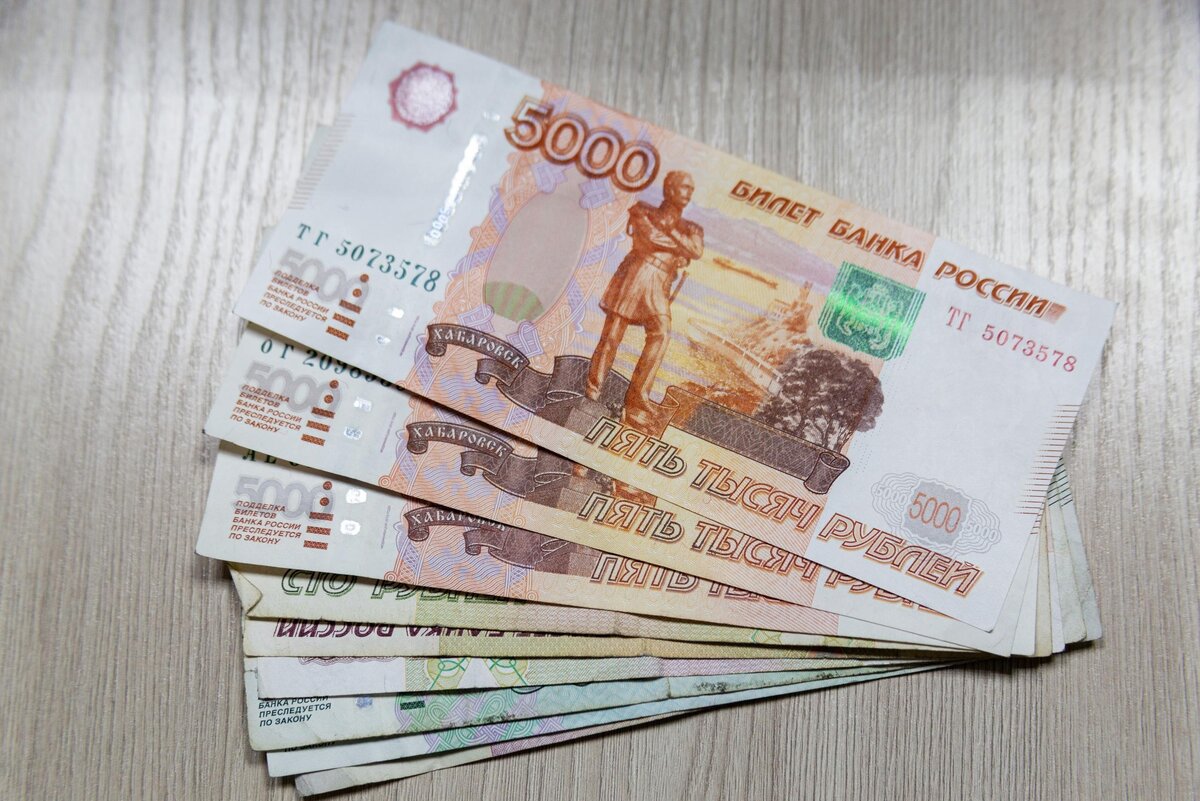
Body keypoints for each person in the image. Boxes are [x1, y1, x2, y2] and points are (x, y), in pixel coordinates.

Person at [585, 170, 704, 426]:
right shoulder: (642, 210)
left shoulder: (693, 228)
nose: (689, 193)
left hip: (660, 283)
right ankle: (593, 390)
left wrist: (671, 236)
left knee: (661, 333)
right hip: (637, 274)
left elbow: (695, 251)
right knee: (612, 335)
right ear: (669, 189)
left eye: (691, 189)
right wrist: (677, 246)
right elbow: (650, 237)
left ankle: (638, 399)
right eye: (685, 187)